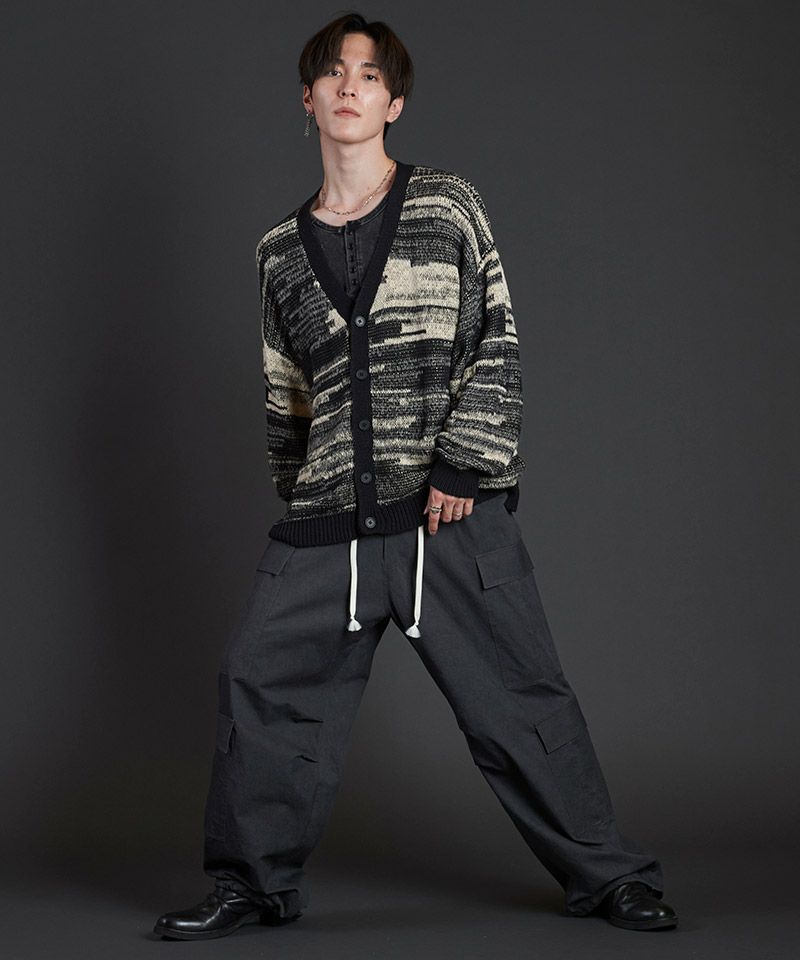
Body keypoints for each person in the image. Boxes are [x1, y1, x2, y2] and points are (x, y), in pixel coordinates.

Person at [153, 11, 678, 941]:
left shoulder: (446, 206)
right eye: (332, 73)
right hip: (329, 524)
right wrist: (309, 494)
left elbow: (495, 339)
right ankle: (251, 884)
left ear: (393, 102)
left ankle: (610, 876)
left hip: (449, 515)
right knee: (259, 688)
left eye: (368, 76)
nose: (348, 87)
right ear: (307, 98)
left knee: (521, 701)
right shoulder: (279, 251)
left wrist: (467, 464)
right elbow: (285, 393)